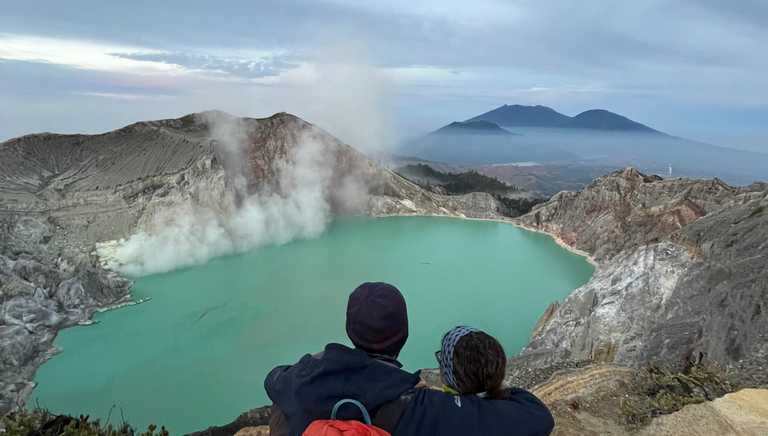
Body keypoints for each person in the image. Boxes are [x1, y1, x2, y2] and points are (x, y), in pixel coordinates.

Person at [264, 282, 421, 436]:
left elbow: (272, 380)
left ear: (350, 330)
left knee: (282, 410)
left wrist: (313, 363)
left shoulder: (303, 377)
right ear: (403, 333)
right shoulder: (417, 405)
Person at [392, 326, 555, 436]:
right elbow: (544, 417)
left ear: (449, 375)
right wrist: (493, 387)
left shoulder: (434, 410)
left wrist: (420, 393)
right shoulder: (529, 414)